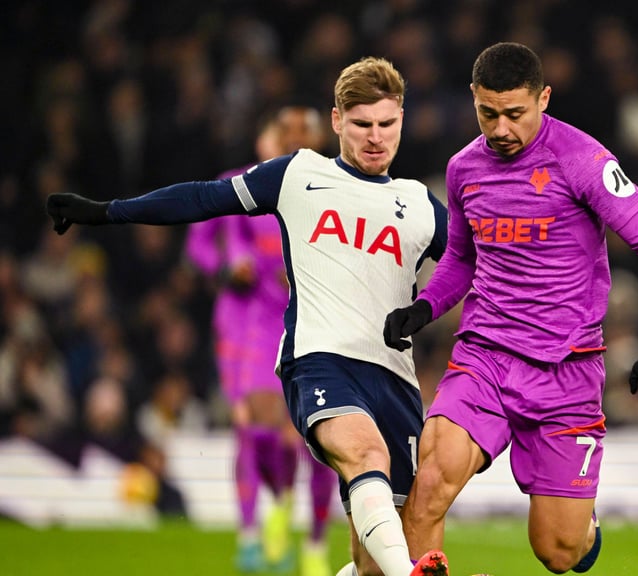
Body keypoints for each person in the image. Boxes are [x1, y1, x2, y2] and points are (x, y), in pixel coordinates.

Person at [47, 56, 451, 576]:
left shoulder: (420, 203)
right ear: (336, 122)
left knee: (370, 562)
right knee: (366, 457)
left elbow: (477, 266)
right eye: (362, 124)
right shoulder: (297, 174)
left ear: (401, 119)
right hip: (320, 361)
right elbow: (202, 198)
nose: (376, 138)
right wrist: (107, 211)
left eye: (387, 124)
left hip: (394, 379)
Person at [383, 42, 638, 574]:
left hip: (568, 373)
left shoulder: (583, 159)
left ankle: (583, 530)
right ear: (474, 101)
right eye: (488, 113)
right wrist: (426, 305)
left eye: (515, 114)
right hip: (486, 359)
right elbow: (460, 256)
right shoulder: (463, 169)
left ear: (544, 98)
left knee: (558, 552)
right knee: (427, 486)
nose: (500, 129)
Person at [184, 106, 338, 575]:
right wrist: (227, 267)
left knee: (320, 436)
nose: (291, 144)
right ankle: (254, 529)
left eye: (301, 136)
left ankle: (312, 542)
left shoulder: (329, 187)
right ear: (264, 140)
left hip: (313, 319)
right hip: (248, 321)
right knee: (253, 427)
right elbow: (200, 243)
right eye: (283, 135)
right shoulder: (238, 187)